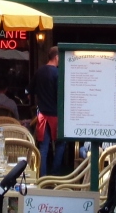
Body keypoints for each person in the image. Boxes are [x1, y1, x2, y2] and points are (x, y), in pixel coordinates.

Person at [33, 47, 64, 176]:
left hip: (42, 115)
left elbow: (30, 90)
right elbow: (60, 95)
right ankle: (55, 175)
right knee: (61, 144)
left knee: (43, 148)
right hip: (56, 115)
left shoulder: (39, 72)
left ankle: (42, 177)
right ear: (56, 57)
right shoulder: (58, 73)